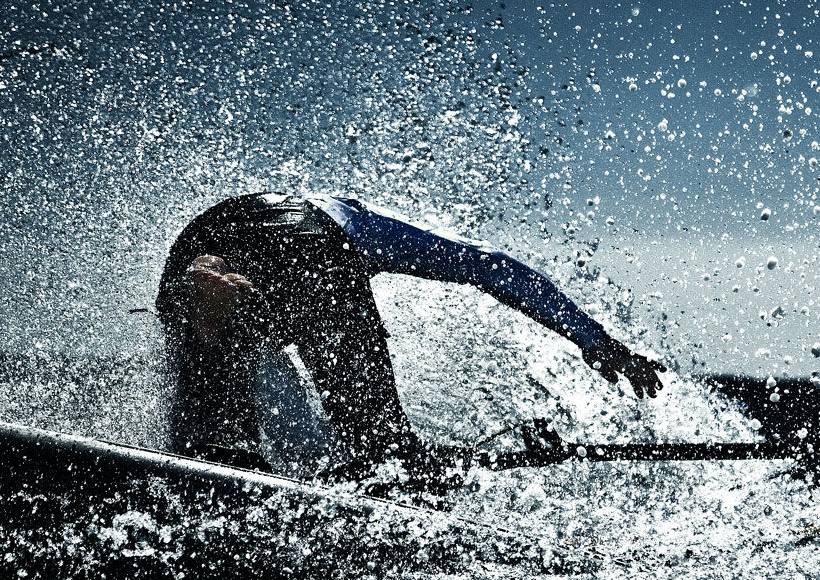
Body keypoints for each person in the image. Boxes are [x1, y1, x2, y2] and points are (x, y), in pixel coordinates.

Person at [155, 191, 663, 481]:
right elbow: (494, 267)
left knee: (368, 451)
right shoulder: (354, 227)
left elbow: (489, 267)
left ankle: (373, 463)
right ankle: (379, 464)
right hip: (237, 275)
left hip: (259, 264)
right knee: (379, 454)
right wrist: (596, 342)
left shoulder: (339, 242)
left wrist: (593, 339)